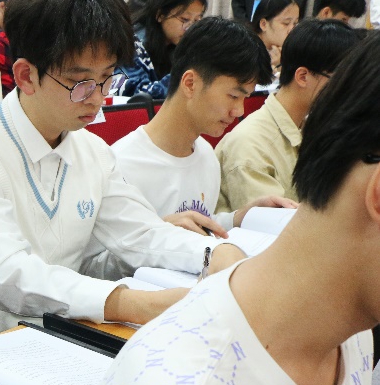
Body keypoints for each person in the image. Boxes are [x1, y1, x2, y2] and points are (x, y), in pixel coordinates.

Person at [65, 29, 380, 385]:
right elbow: (99, 254)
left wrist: (227, 228)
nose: (237, 109)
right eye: (233, 93)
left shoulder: (349, 335)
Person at [0, 0, 245, 342]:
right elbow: (9, 276)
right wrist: (136, 304)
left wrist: (217, 252)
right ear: (26, 76)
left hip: (60, 335)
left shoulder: (92, 151)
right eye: (81, 83)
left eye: (107, 78)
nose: (98, 99)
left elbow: (141, 232)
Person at [112, 17, 295, 240]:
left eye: (245, 98)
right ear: (190, 84)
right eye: (233, 96)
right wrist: (158, 233)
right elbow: (96, 259)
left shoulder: (206, 155)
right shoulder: (122, 166)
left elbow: (201, 226)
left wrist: (240, 217)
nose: (239, 110)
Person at [216, 19, 359, 212]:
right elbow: (271, 226)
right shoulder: (251, 144)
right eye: (342, 80)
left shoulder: (313, 128)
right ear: (303, 77)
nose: (348, 90)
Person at [120, 0, 206, 99]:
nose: (190, 28)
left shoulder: (178, 44)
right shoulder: (132, 43)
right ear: (160, 15)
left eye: (197, 20)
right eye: (185, 19)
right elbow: (137, 95)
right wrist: (187, 69)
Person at [251, 0, 300, 73]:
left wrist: (280, 66)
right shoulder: (244, 52)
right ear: (263, 24)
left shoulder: (292, 51)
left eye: (295, 23)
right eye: (286, 23)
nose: (292, 29)